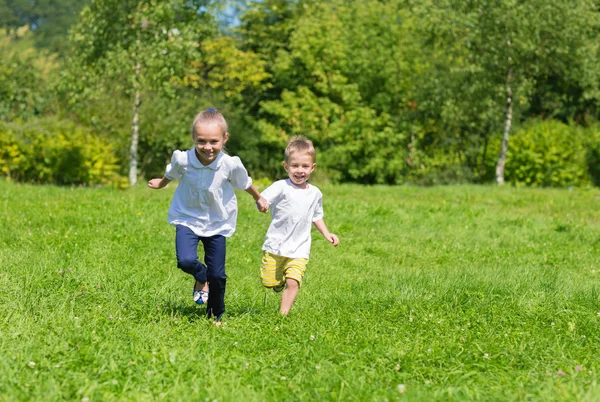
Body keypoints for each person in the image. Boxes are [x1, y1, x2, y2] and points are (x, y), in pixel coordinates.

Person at [148, 108, 268, 325]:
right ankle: (200, 276)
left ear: (225, 138)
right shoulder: (183, 159)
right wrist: (161, 183)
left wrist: (258, 198)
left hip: (217, 221)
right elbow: (172, 172)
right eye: (201, 141)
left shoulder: (230, 164)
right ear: (194, 138)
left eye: (214, 141)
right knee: (185, 260)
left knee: (218, 275)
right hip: (187, 217)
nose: (207, 147)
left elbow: (245, 183)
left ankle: (215, 314)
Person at [260, 135, 339, 315]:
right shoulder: (281, 186)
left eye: (304, 166)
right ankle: (277, 283)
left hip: (300, 247)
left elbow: (316, 216)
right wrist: (262, 203)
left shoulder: (315, 193)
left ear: (312, 168)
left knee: (293, 281)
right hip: (277, 245)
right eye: (295, 166)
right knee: (268, 282)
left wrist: (327, 234)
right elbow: (263, 198)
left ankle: (283, 315)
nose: (299, 170)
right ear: (286, 166)